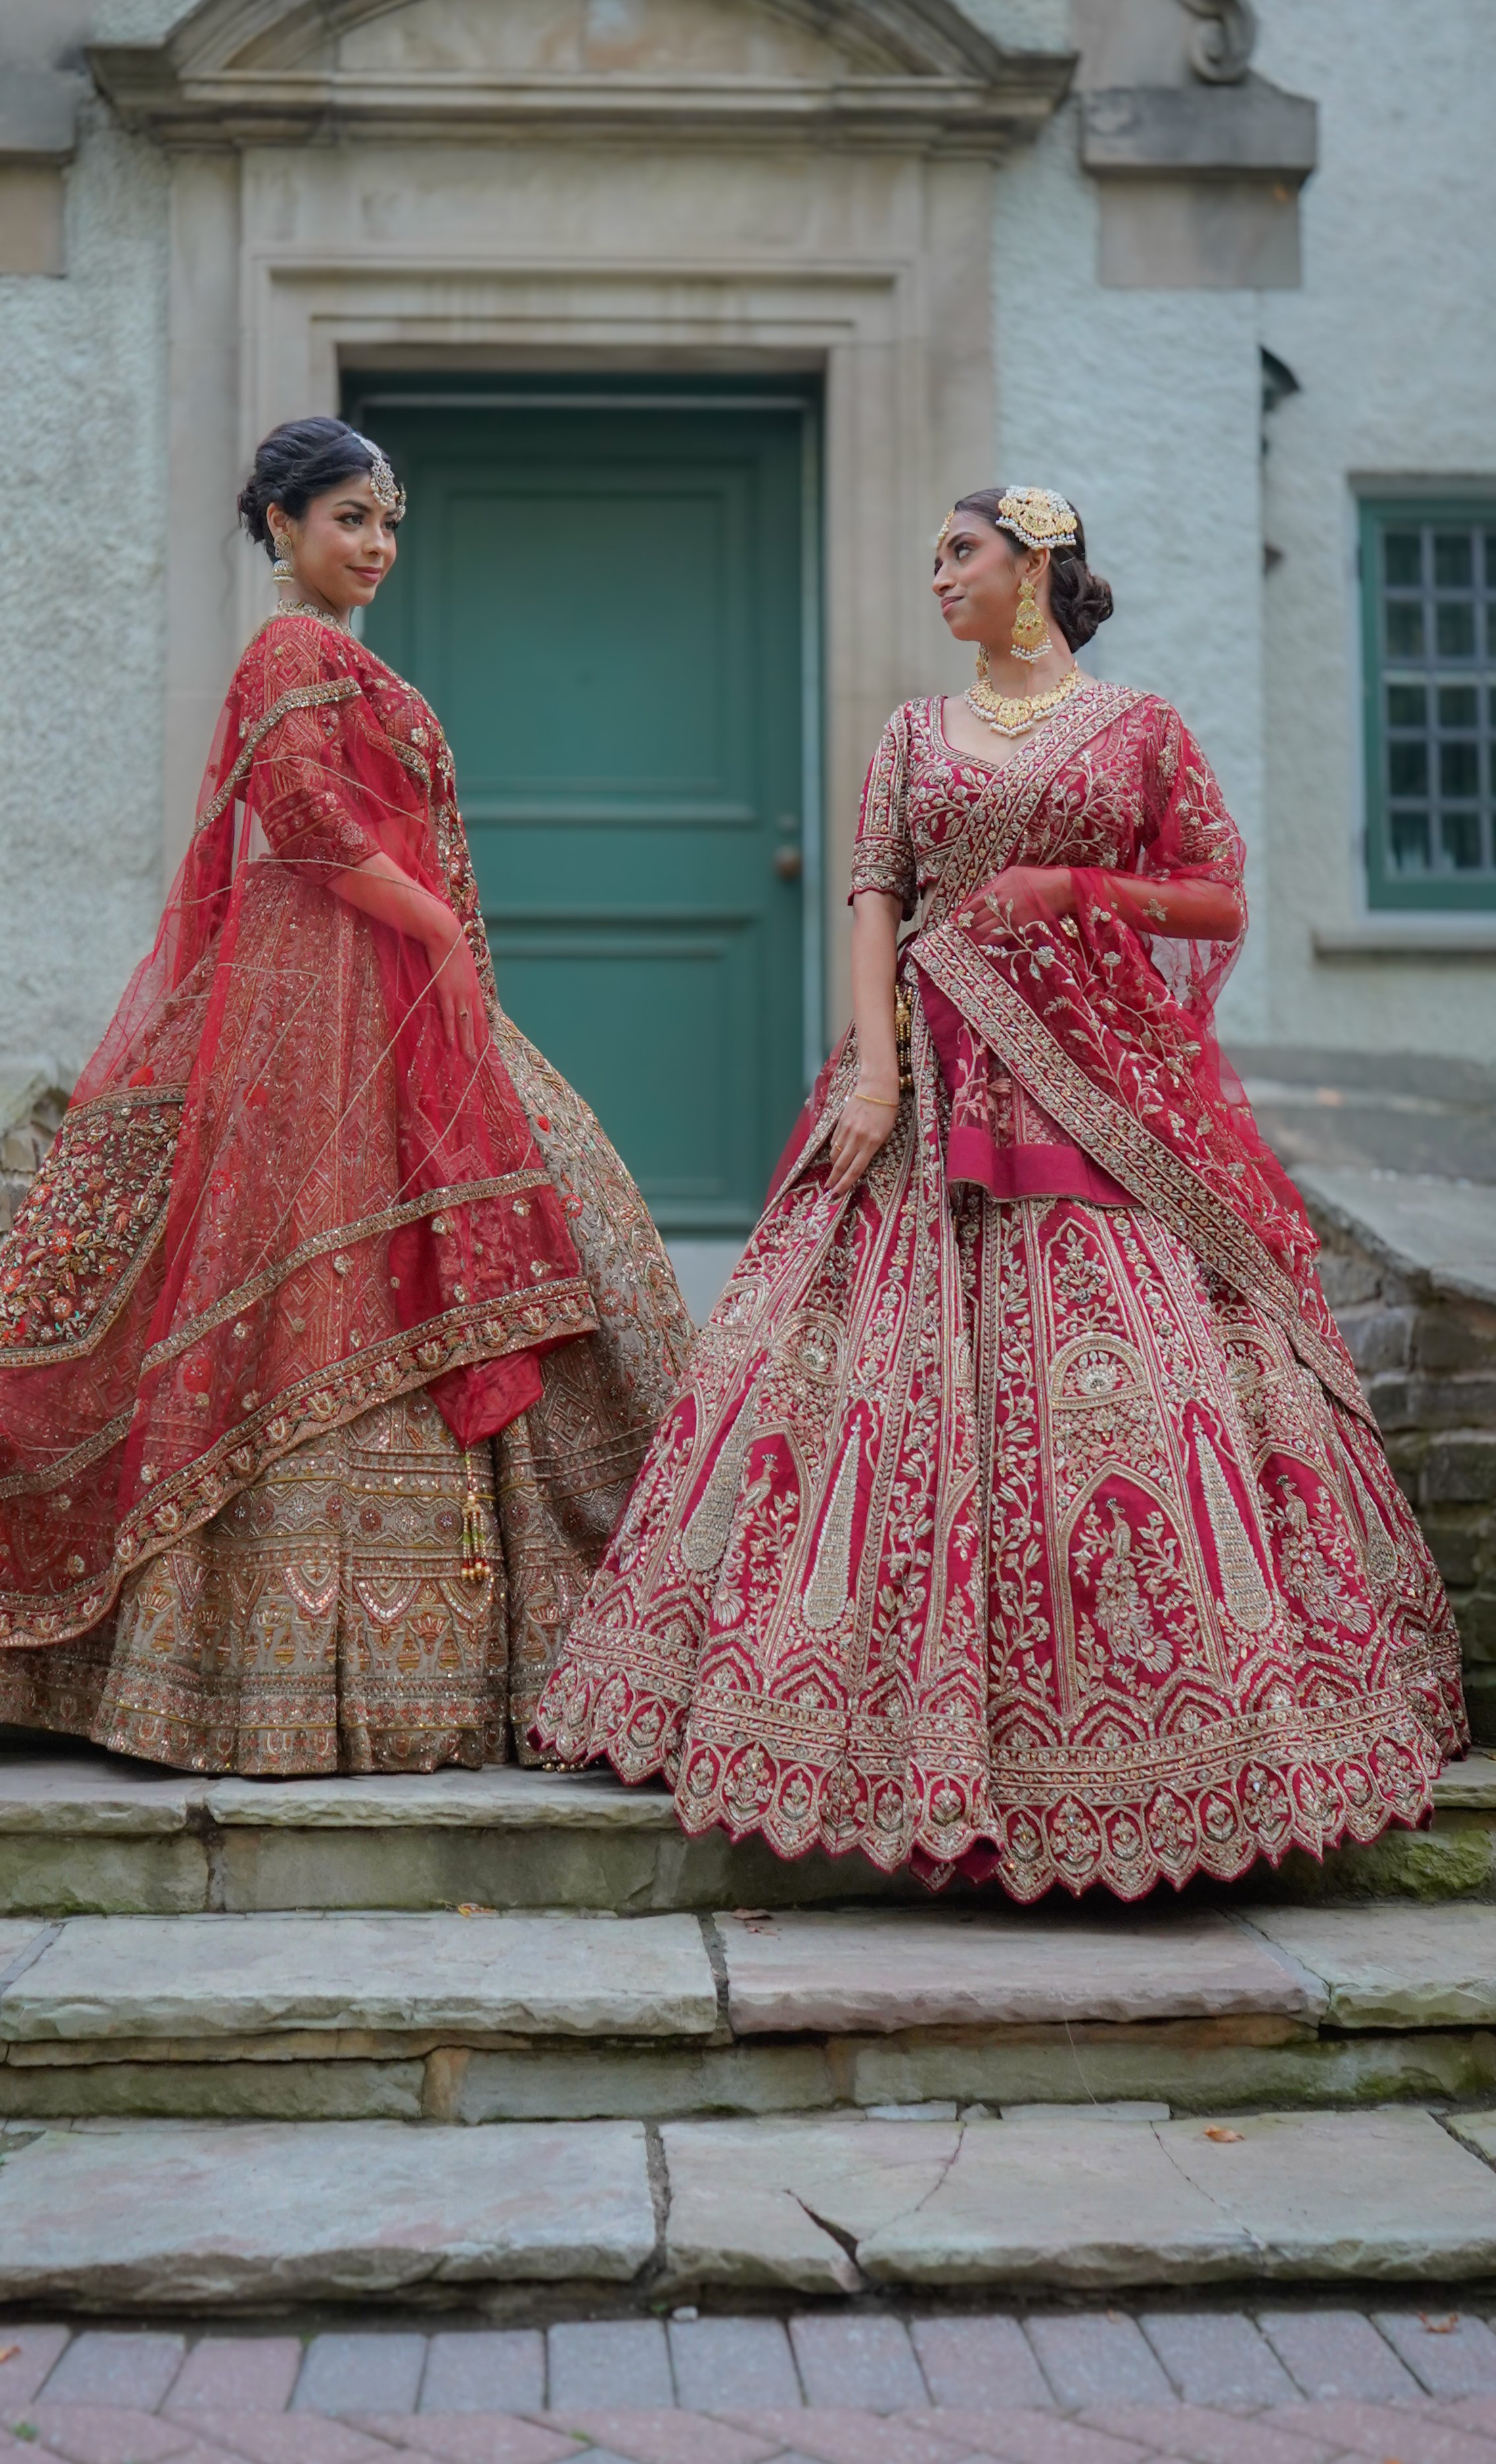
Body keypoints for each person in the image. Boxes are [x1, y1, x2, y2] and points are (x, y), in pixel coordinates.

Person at [532, 484, 1466, 1900]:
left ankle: (1178, 1754)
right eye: (929, 558)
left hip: (1094, 1095)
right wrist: (870, 1081)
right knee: (842, 1391)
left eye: (958, 552)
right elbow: (870, 899)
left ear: (1034, 563)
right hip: (921, 1089)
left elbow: (1212, 899)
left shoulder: (1139, 727)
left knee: (1142, 1393)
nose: (936, 577)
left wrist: (1075, 894)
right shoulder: (910, 733)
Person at [0, 417, 691, 1775]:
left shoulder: (343, 654)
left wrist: (431, 948)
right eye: (349, 520)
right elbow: (310, 823)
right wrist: (432, 930)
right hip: (325, 991)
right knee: (308, 1273)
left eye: (387, 524)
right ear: (280, 526)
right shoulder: (289, 650)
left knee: (512, 1245)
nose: (373, 547)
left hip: (381, 986)